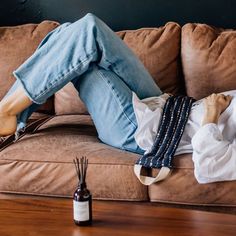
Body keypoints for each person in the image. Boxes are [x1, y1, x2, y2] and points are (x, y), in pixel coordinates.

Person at [0, 13, 235, 184]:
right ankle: (10, 115)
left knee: (79, 46)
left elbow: (210, 166)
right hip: (165, 105)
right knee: (83, 29)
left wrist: (212, 113)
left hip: (146, 132)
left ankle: (6, 114)